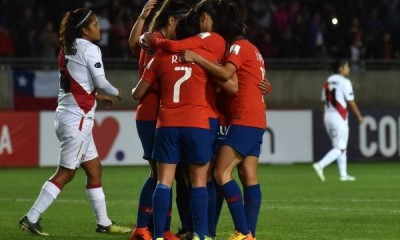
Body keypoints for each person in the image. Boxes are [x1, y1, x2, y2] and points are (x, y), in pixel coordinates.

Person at [18, 8, 130, 236]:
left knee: (94, 169)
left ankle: (104, 223)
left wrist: (97, 96)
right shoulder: (91, 49)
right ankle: (31, 217)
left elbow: (75, 84)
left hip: (67, 114)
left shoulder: (66, 48)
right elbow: (100, 80)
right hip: (78, 119)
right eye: (95, 24)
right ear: (85, 29)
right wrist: (117, 91)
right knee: (67, 172)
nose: (99, 27)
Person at [180, 1, 270, 239]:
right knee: (248, 175)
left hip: (243, 118)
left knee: (220, 173)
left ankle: (243, 231)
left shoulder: (238, 48)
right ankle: (249, 234)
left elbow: (227, 75)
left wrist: (197, 58)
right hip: (255, 118)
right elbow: (255, 81)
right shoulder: (254, 49)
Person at [127, 1, 190, 240]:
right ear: (171, 21)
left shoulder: (149, 40)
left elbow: (134, 44)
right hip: (152, 113)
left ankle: (158, 228)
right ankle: (145, 228)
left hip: (157, 113)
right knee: (159, 173)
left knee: (164, 173)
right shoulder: (158, 44)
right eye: (181, 24)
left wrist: (143, 18)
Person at [313, 59, 364, 182]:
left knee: (340, 146)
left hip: (328, 116)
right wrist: (359, 116)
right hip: (339, 117)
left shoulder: (327, 81)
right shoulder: (344, 82)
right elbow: (351, 102)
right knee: (340, 148)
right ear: (341, 68)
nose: (348, 69)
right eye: (347, 66)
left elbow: (323, 102)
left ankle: (343, 174)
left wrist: (326, 117)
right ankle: (320, 165)